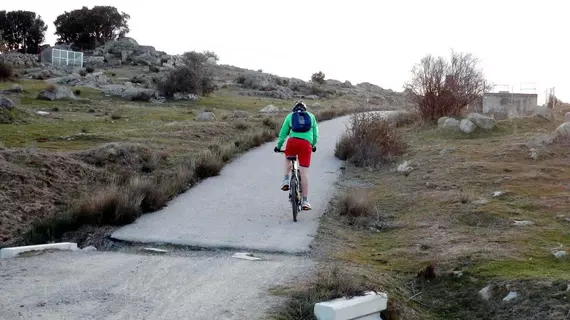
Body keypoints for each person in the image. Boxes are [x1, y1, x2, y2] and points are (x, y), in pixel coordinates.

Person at [274, 101, 318, 210]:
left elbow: (283, 133)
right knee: (304, 174)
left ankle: (285, 180)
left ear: (294, 109)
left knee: (288, 158)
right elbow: (316, 134)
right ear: (305, 109)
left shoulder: (290, 116)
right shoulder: (311, 116)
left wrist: (279, 146)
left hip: (292, 142)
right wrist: (312, 145)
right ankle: (305, 201)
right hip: (306, 145)